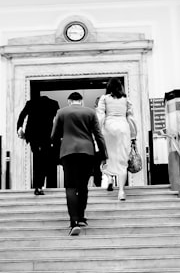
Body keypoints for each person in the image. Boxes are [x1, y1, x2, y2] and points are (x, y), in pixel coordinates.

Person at [51, 92, 107, 236]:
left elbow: (54, 136)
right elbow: (98, 134)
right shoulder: (90, 112)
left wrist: (57, 154)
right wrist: (104, 154)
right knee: (83, 186)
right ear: (81, 101)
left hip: (68, 153)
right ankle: (81, 216)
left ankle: (73, 222)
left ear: (69, 101)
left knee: (70, 186)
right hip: (87, 152)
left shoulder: (61, 112)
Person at [96, 78, 135, 201]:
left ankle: (110, 178)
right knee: (122, 161)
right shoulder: (126, 99)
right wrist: (133, 135)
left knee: (107, 157)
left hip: (109, 129)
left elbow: (100, 115)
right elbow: (131, 118)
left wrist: (97, 132)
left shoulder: (104, 98)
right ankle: (122, 191)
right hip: (123, 129)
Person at [17, 94, 60, 195]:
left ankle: (38, 185)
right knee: (44, 160)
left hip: (33, 135)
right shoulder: (53, 103)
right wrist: (57, 135)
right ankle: (39, 185)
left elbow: (22, 115)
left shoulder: (31, 103)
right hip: (46, 135)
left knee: (37, 159)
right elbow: (58, 120)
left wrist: (19, 128)